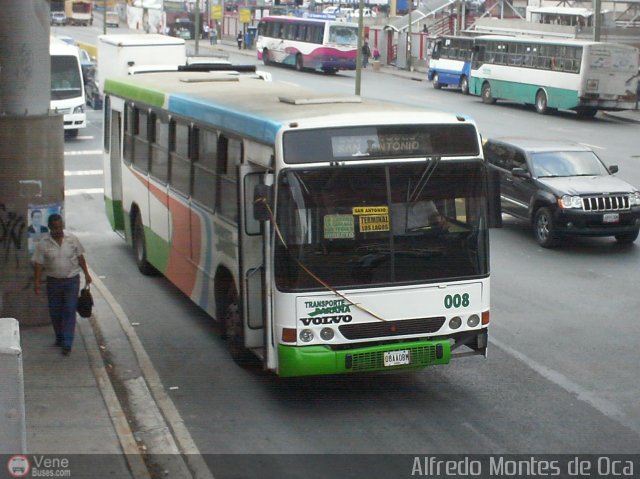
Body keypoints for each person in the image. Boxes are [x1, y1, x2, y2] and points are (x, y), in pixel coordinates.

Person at [32, 214, 92, 356]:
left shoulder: (72, 239)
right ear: (50, 228)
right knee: (55, 312)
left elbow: (80, 257)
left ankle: (67, 343)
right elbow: (39, 264)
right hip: (53, 282)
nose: (58, 230)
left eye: (60, 226)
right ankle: (59, 336)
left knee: (70, 309)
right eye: (55, 227)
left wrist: (87, 274)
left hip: (71, 280)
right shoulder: (43, 244)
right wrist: (37, 282)